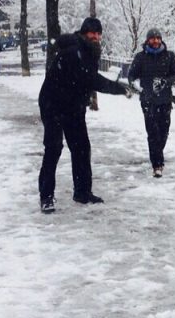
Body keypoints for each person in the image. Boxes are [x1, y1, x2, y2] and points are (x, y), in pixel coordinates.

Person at [37, 17, 131, 213]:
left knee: (81, 148)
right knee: (53, 148)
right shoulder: (74, 51)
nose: (95, 36)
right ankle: (46, 196)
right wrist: (118, 88)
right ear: (83, 33)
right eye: (91, 32)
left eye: (98, 33)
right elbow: (90, 79)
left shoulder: (89, 50)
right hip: (53, 104)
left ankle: (82, 192)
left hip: (73, 106)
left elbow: (85, 80)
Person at [127, 28, 175, 177]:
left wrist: (166, 81)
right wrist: (138, 86)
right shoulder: (141, 57)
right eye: (153, 38)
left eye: (158, 38)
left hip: (165, 100)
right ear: (147, 40)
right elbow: (131, 75)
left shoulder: (169, 56)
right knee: (152, 133)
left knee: (163, 132)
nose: (156, 41)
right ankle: (157, 164)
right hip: (148, 101)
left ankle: (158, 153)